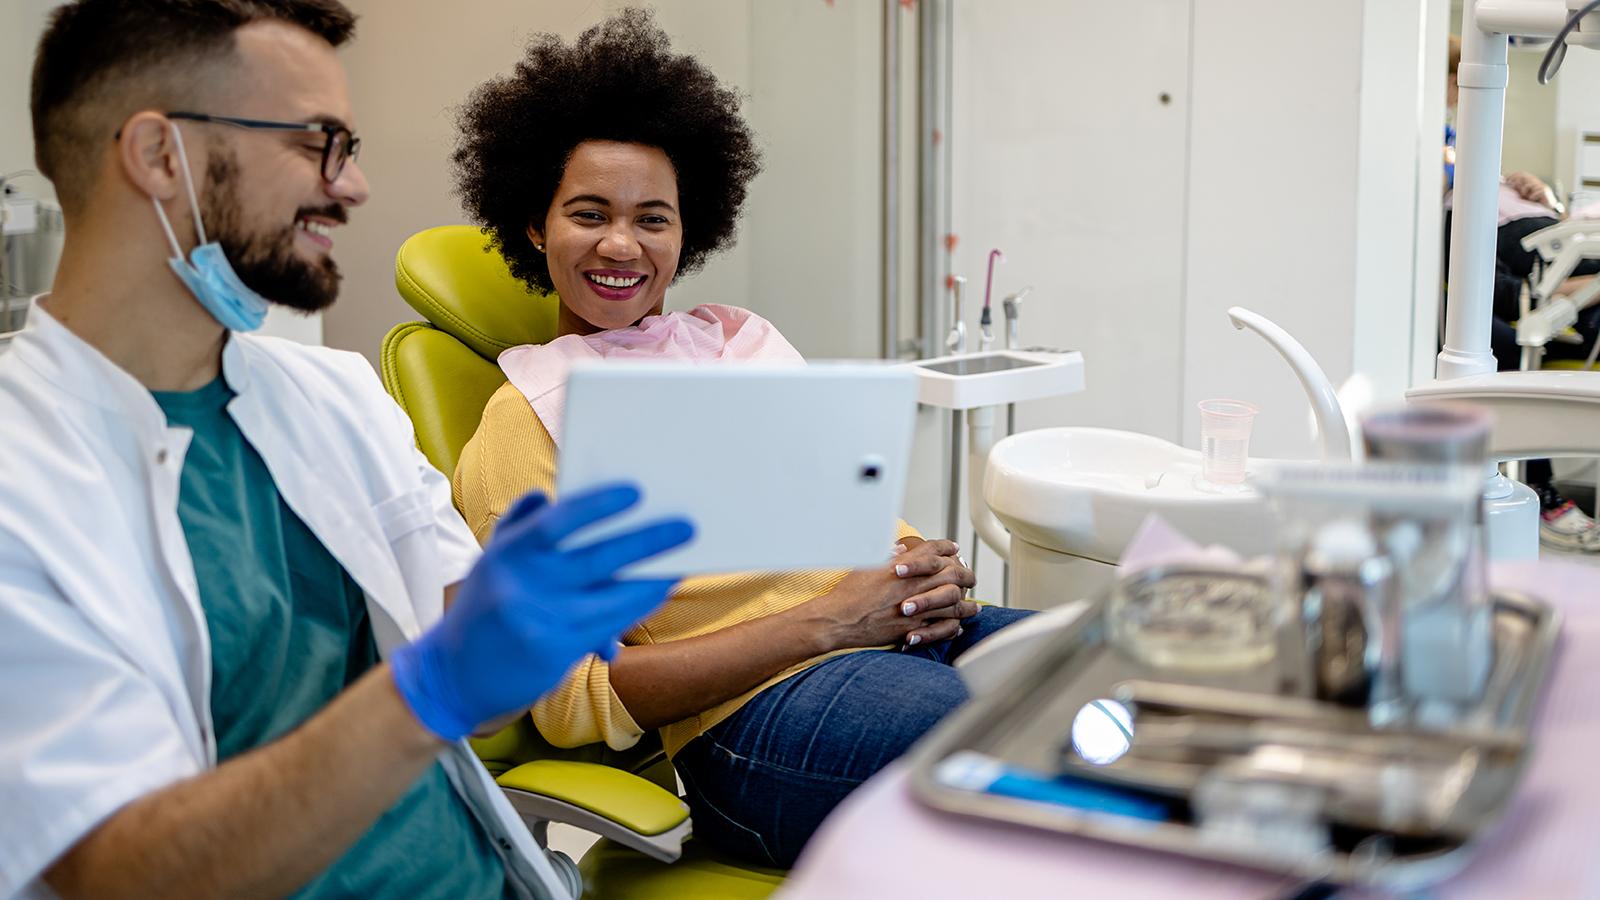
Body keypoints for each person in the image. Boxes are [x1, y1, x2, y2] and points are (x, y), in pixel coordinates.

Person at [1, 2, 694, 897]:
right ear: (158, 156)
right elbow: (120, 868)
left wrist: (530, 624)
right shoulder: (21, 473)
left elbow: (486, 679)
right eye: (316, 143)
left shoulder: (337, 396)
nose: (353, 186)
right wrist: (426, 692)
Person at [450, 10, 1032, 869]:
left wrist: (920, 562)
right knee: (966, 734)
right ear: (535, 227)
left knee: (1109, 683)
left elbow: (850, 506)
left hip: (895, 636)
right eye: (587, 213)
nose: (622, 243)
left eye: (653, 218)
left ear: (688, 233)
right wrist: (830, 624)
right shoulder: (525, 416)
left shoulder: (736, 340)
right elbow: (572, 702)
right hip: (750, 721)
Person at [1443, 36, 1600, 551]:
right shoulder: (1444, 173)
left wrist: (1544, 193)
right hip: (1531, 255)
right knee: (1505, 339)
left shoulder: (1469, 150)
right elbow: (1504, 293)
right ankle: (1541, 488)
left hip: (1556, 234)